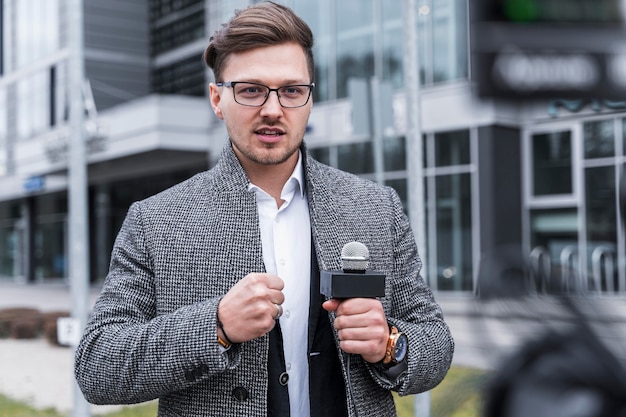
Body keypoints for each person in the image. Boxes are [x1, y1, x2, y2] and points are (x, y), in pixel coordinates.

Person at [74, 2, 454, 416]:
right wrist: (214, 326)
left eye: (291, 90)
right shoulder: (155, 221)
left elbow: (435, 344)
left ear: (310, 99)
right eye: (251, 90)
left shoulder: (376, 208)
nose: (273, 109)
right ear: (217, 99)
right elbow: (97, 366)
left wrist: (389, 345)